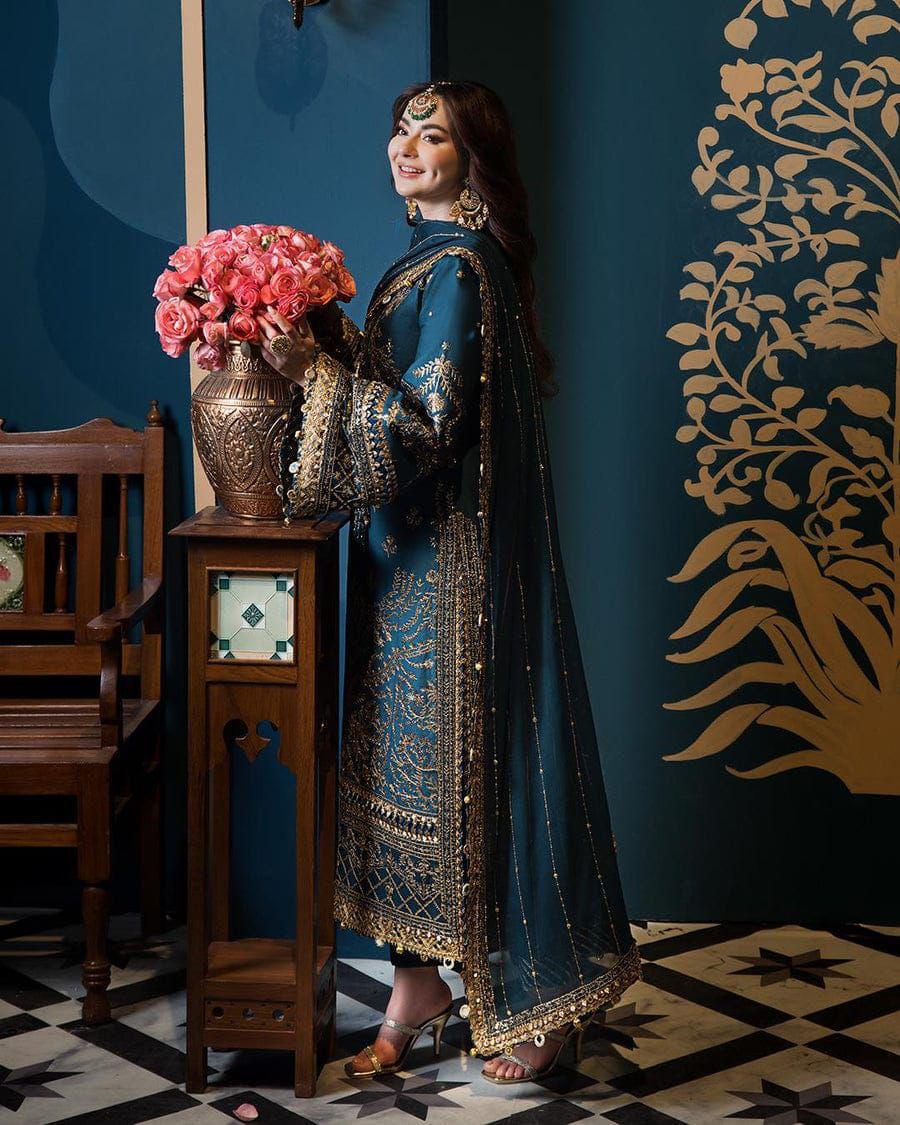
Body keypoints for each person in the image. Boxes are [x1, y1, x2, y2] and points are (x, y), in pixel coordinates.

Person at [258, 80, 641, 1086]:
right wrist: (322, 351)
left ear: (474, 164)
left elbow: (423, 427)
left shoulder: (463, 269)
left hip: (453, 583)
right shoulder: (425, 267)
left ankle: (536, 1002)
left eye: (432, 135)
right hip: (407, 573)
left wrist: (320, 375)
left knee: (476, 771)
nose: (405, 146)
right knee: (405, 780)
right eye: (401, 130)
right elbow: (397, 400)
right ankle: (419, 983)